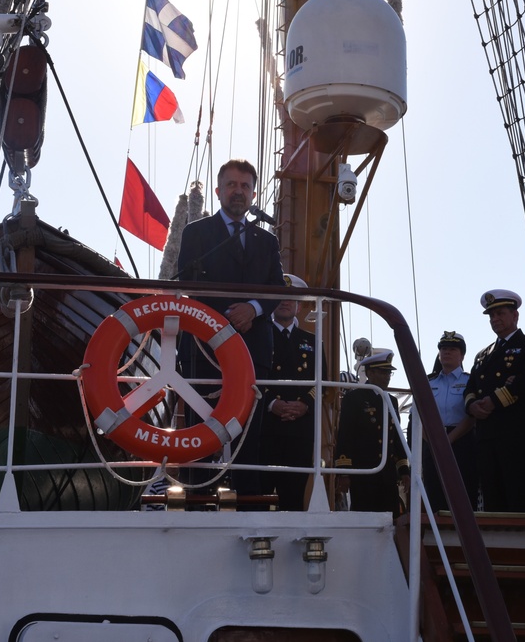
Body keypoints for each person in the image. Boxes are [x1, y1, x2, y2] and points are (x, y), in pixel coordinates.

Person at [176, 158, 285, 495]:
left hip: (253, 347)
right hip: (203, 348)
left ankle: (248, 507)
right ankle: (196, 504)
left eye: (245, 186)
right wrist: (223, 318)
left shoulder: (267, 241)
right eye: (232, 185)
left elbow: (276, 288)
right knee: (201, 430)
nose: (238, 192)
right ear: (219, 190)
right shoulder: (197, 233)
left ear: (253, 194)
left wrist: (252, 309)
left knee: (249, 434)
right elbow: (189, 285)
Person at [464, 289, 525, 512]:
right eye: (492, 316)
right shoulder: (482, 354)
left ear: (515, 316)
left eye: (500, 314)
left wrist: (494, 401)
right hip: (486, 433)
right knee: (491, 492)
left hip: (514, 431)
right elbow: (471, 386)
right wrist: (471, 405)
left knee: (518, 490)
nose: (495, 319)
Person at [260, 274, 325, 510]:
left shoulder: (312, 341)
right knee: (259, 496)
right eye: (279, 297)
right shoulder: (258, 337)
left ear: (298, 305)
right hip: (265, 428)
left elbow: (323, 383)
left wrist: (305, 404)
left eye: (290, 298)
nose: (284, 302)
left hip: (300, 429)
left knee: (294, 497)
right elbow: (250, 378)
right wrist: (270, 403)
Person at [335, 351, 410, 515]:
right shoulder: (354, 398)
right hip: (363, 473)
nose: (387, 377)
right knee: (364, 517)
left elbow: (396, 438)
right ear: (369, 373)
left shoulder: (391, 400)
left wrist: (404, 471)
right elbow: (345, 437)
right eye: (383, 372)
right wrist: (344, 473)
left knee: (391, 519)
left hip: (387, 475)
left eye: (389, 372)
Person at [412, 331, 478, 514]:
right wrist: (432, 440)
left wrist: (449, 439)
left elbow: (472, 416)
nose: (447, 352)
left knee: (464, 491)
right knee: (433, 490)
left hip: (462, 441)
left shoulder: (470, 381)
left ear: (462, 355)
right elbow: (417, 415)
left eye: (452, 349)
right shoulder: (427, 381)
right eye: (443, 349)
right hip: (431, 441)